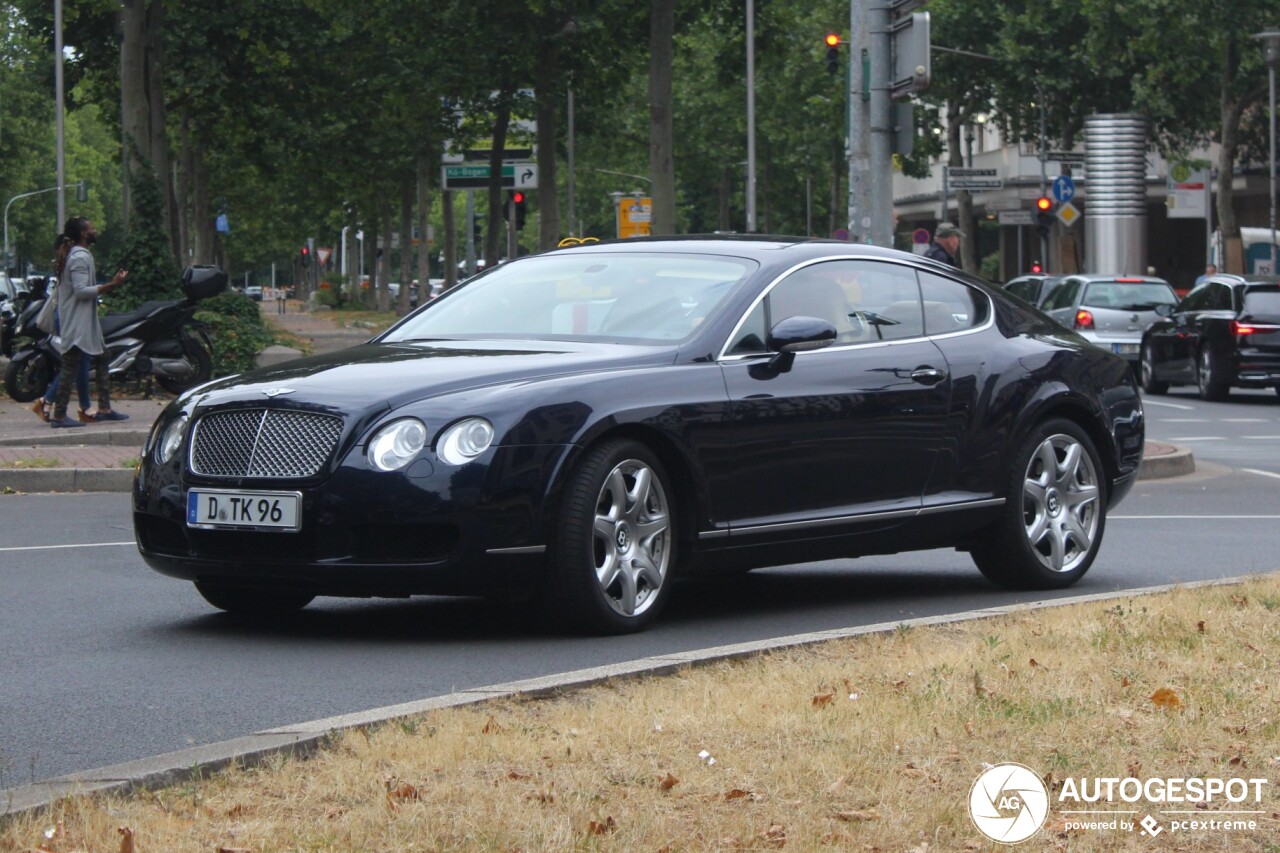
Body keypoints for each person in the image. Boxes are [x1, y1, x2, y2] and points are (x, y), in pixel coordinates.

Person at [48, 217, 130, 428]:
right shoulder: (78, 258)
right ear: (84, 234)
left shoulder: (78, 255)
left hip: (84, 322)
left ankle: (104, 408)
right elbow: (81, 291)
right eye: (91, 228)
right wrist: (112, 284)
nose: (95, 231)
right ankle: (59, 415)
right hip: (77, 322)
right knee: (70, 366)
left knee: (103, 356)